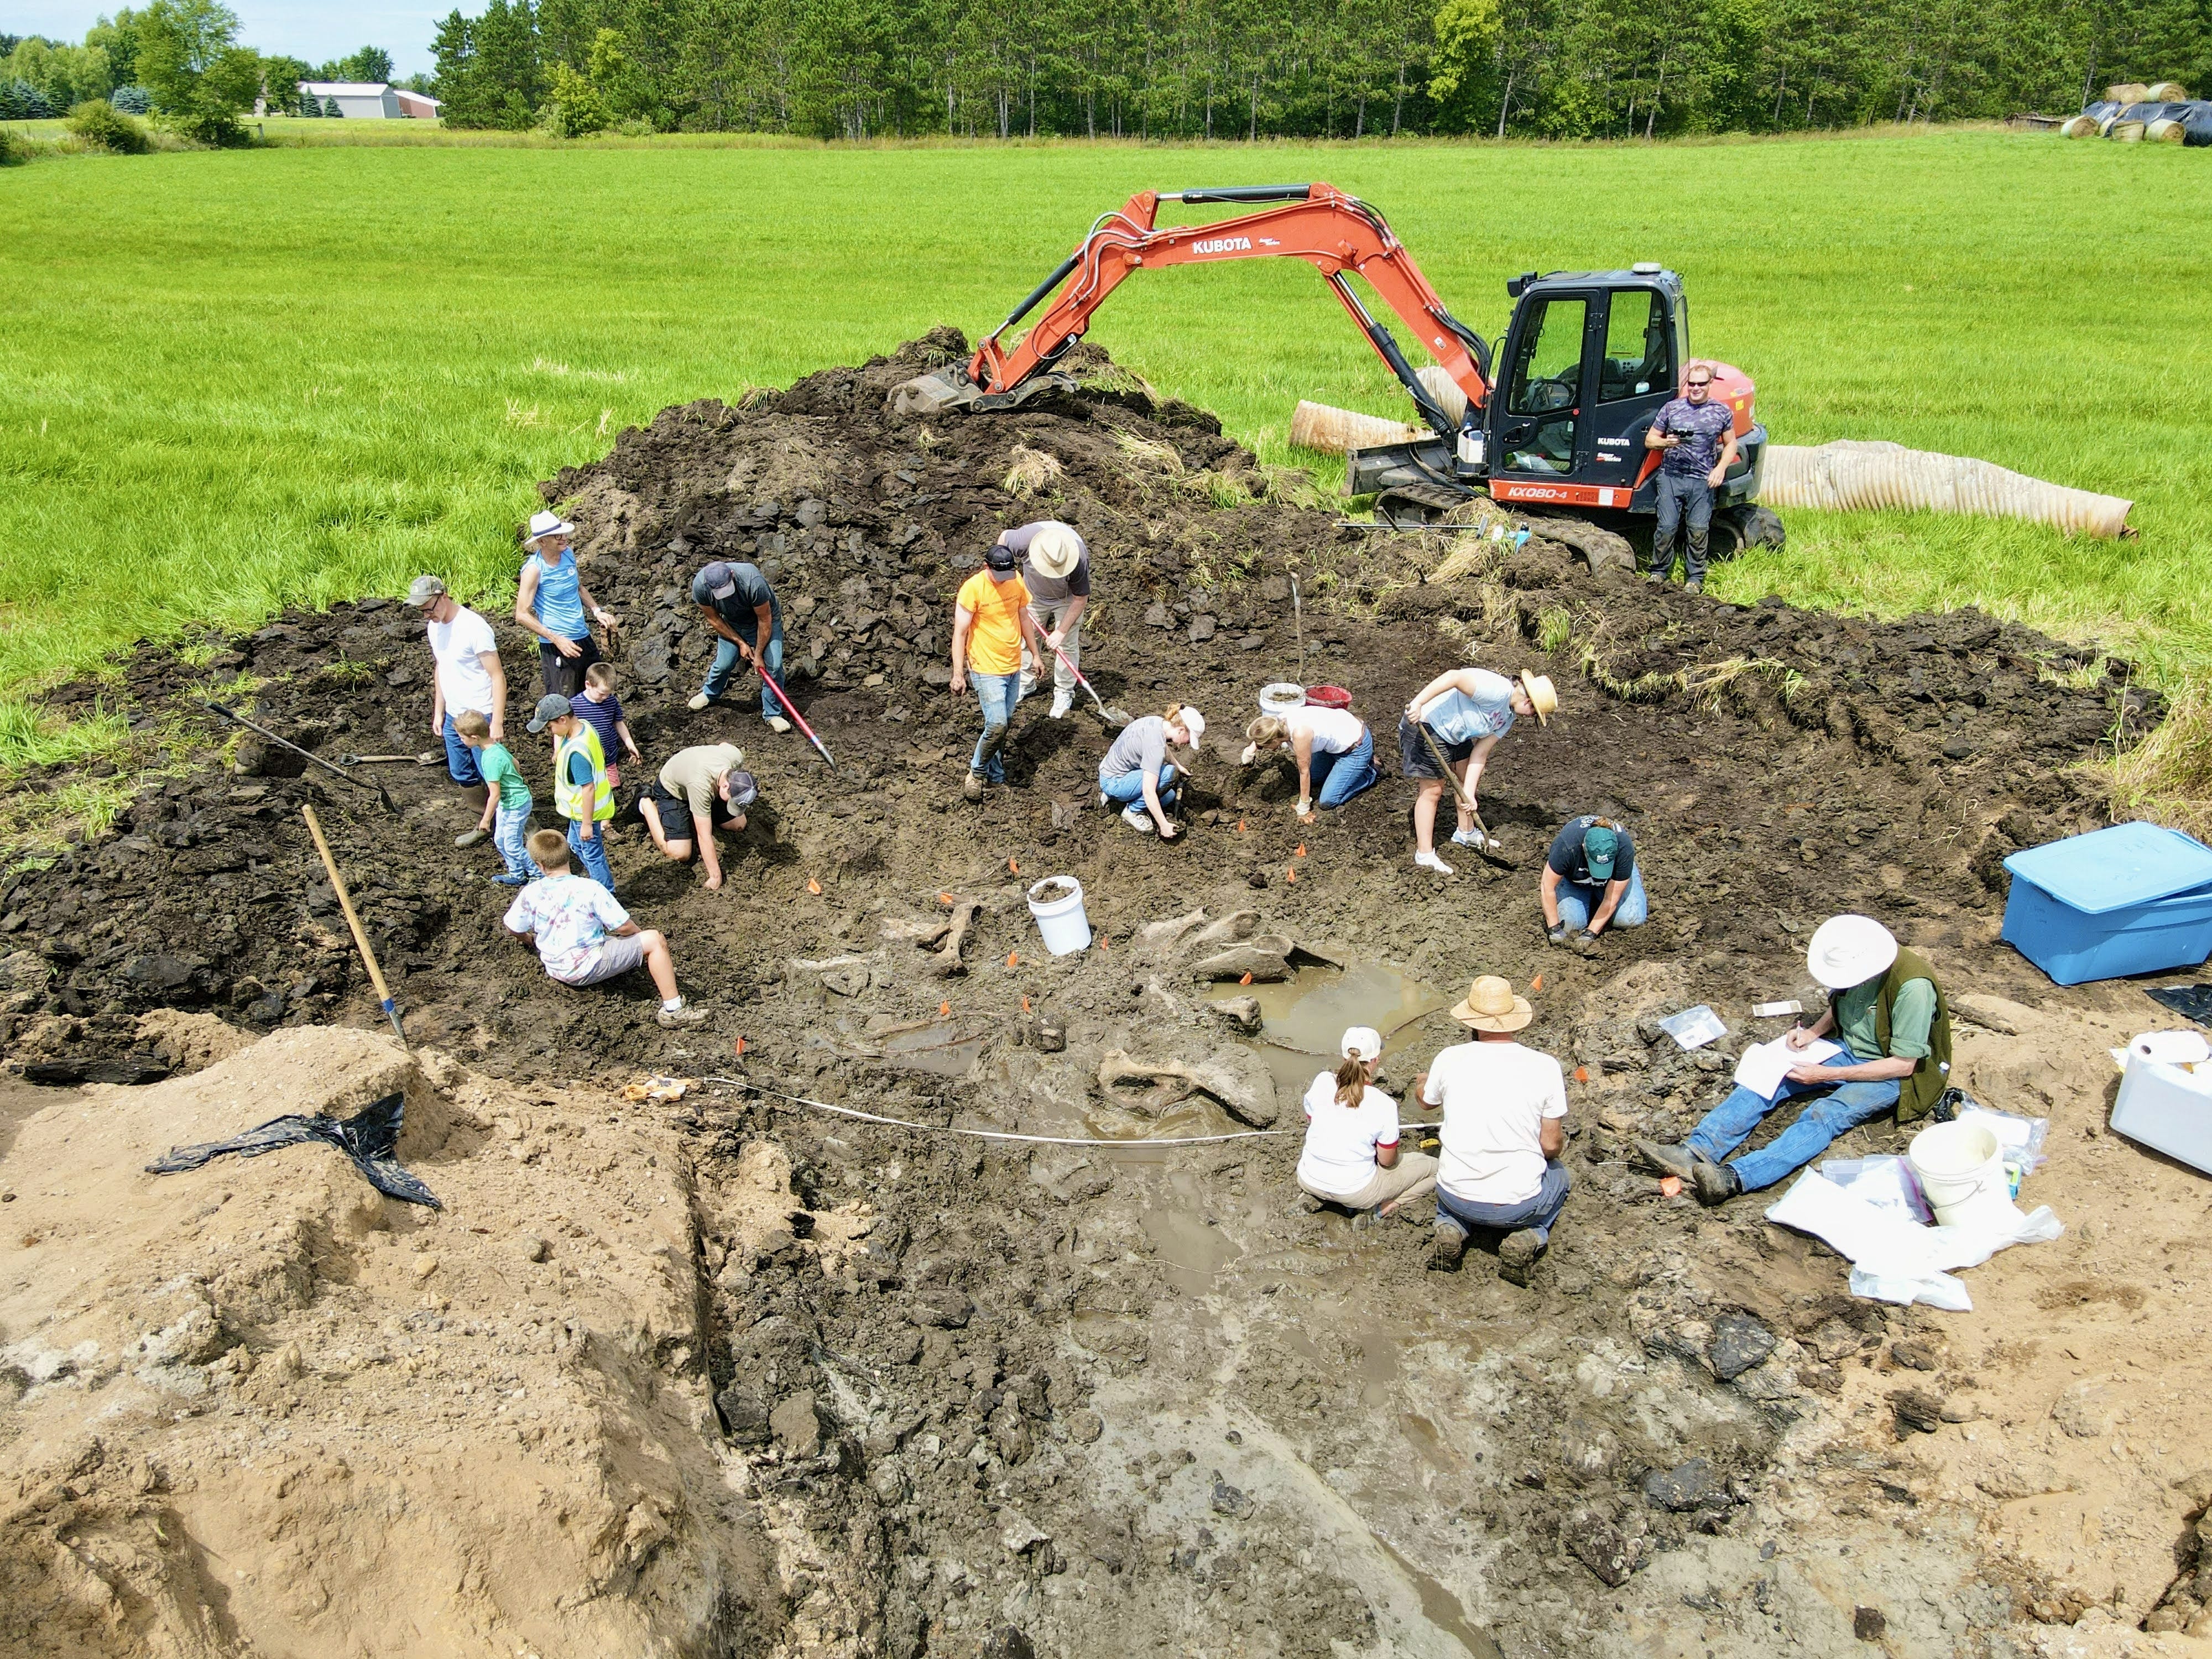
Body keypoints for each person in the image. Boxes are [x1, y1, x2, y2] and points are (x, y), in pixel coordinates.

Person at [1639, 916, 1951, 1204]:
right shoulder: (1857, 961)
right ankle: (1697, 1150)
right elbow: (1845, 1001)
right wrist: (1814, 1033)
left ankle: (1735, 1178)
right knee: (1769, 1073)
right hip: (1847, 1047)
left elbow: (1903, 1064)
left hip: (1891, 1072)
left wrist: (1821, 1075)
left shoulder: (1913, 989)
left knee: (1826, 1114)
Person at [1417, 976, 1570, 1285]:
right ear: (1514, 1021)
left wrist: (1422, 1083)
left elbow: (1426, 1104)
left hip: (1455, 1195)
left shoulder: (1449, 1058)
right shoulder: (1545, 1066)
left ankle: (1452, 1227)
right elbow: (1550, 1146)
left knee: (1452, 1204)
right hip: (1518, 1206)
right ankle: (1531, 1234)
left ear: (1471, 1022)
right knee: (1560, 1175)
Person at [503, 828, 706, 1029]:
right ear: (568, 854)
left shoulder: (531, 893)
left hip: (556, 967)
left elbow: (513, 927)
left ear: (540, 865)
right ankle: (674, 1010)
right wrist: (640, 937)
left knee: (612, 942)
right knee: (655, 940)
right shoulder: (590, 888)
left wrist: (529, 939)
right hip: (586, 967)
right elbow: (623, 926)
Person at [1399, 667, 1557, 877]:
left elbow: (1480, 754)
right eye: (1534, 714)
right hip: (1426, 724)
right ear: (1529, 704)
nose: (1531, 717)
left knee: (1465, 782)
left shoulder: (1508, 717)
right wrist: (1418, 703)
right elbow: (1453, 677)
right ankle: (1425, 855)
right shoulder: (1496, 690)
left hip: (1456, 735)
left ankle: (1465, 833)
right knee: (1433, 791)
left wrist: (1470, 795)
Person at [1295, 1026, 1438, 1217]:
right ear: (1375, 1060)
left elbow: (1313, 1120)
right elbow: (1387, 1161)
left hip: (1308, 1178)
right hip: (1356, 1192)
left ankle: (1318, 1196)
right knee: (1438, 1169)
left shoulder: (1322, 1081)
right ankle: (1383, 1208)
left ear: (1344, 1057)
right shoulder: (1383, 1103)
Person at [950, 543, 1050, 801]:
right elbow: (960, 633)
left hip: (1012, 666)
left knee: (1001, 727)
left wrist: (1036, 655)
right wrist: (958, 674)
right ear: (987, 567)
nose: (1005, 580)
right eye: (999, 575)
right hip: (986, 667)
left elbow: (1024, 618)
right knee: (997, 724)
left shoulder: (1015, 580)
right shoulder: (973, 589)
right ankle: (977, 772)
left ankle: (996, 775)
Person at [407, 574, 508, 812]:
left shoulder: (474, 627)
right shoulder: (434, 627)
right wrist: (439, 712)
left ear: (443, 597)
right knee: (462, 772)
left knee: (492, 771)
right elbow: (441, 667)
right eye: (421, 612)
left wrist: (498, 722)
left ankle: (523, 827)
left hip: (480, 714)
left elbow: (497, 676)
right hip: (454, 715)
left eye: (428, 609)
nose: (427, 616)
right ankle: (483, 823)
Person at [1642, 361, 1740, 594]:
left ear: (1710, 385)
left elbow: (1731, 443)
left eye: (1701, 384)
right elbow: (1650, 440)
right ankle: (1659, 572)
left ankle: (1695, 578)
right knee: (1666, 527)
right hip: (1671, 477)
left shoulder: (1721, 411)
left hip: (1702, 480)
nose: (1696, 389)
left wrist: (1721, 468)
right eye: (1692, 384)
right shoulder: (1672, 408)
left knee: (1698, 530)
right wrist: (1667, 442)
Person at [514, 510, 618, 696]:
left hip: (582, 636)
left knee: (599, 693)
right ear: (542, 541)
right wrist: (557, 639)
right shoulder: (534, 569)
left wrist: (597, 611)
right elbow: (521, 614)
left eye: (563, 534)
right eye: (557, 536)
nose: (563, 538)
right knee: (566, 703)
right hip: (558, 645)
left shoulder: (568, 554)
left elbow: (579, 587)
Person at [686, 560, 790, 734]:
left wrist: (758, 655)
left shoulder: (752, 580)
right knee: (724, 664)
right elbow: (714, 619)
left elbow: (764, 620)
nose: (725, 596)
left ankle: (773, 714)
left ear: (732, 576)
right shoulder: (700, 586)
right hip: (733, 623)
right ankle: (710, 693)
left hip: (764, 621)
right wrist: (740, 643)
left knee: (774, 666)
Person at [528, 692, 617, 891]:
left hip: (585, 813)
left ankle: (606, 894)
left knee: (592, 855)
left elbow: (588, 788)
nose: (550, 732)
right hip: (580, 812)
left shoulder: (577, 753)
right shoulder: (585, 726)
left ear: (562, 719)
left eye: (550, 727)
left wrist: (586, 824)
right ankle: (596, 886)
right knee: (574, 845)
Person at [638, 742, 757, 891]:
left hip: (698, 781)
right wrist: (715, 877)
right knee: (679, 853)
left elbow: (724, 745)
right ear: (726, 786)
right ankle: (645, 801)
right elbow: (704, 835)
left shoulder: (735, 758)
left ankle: (697, 811)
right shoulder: (700, 786)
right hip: (674, 791)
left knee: (738, 824)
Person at [1004, 520, 1091, 721]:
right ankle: (1025, 683)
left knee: (1067, 645)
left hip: (1066, 599)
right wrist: (1009, 576)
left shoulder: (1078, 558)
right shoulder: (1023, 539)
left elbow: (1080, 599)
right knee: (1026, 637)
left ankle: (1064, 693)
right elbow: (1003, 542)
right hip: (1033, 594)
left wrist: (1060, 632)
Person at [1240, 704, 1379, 818]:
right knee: (1316, 778)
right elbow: (1266, 732)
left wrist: (1304, 806)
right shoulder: (1278, 722)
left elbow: (1304, 772)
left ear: (1275, 740)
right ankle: (1343, 771)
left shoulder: (1300, 735)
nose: (1268, 750)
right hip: (1332, 747)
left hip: (1355, 748)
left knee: (1328, 801)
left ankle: (1370, 771)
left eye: (1266, 747)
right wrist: (1250, 750)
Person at [1542, 815, 1647, 953]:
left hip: (1608, 884)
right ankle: (1590, 902)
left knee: (1631, 919)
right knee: (1569, 925)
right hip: (1576, 882)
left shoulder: (1624, 848)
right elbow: (1547, 887)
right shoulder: (1567, 846)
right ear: (1584, 848)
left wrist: (1590, 934)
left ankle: (1599, 903)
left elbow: (1611, 899)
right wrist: (1554, 929)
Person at [1097, 702, 1205, 836]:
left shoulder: (1157, 722)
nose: (1187, 743)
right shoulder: (1155, 747)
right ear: (1181, 730)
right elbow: (1149, 792)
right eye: (1189, 739)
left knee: (1168, 797)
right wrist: (1164, 825)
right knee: (1169, 775)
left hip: (1110, 771)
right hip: (1114, 781)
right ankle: (1132, 812)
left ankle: (1123, 794)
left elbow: (1163, 748)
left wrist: (1179, 766)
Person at [453, 710, 534, 884]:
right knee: (500, 840)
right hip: (510, 801)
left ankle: (538, 874)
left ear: (474, 737)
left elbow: (494, 795)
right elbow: (515, 763)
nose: (461, 741)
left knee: (513, 845)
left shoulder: (490, 759)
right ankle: (517, 875)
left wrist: (485, 820)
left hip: (516, 805)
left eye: (462, 738)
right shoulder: (495, 746)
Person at [573, 662, 643, 789]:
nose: (605, 697)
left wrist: (631, 746)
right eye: (601, 693)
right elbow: (565, 730)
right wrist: (558, 750)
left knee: (613, 790)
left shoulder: (611, 702)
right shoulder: (575, 705)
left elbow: (619, 723)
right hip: (586, 759)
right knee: (587, 789)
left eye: (608, 694)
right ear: (588, 685)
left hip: (609, 759)